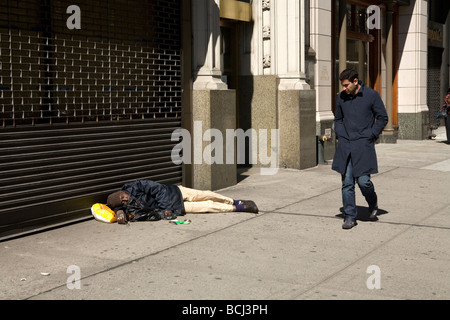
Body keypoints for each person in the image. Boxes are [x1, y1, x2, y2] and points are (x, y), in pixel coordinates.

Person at [332, 69, 388, 229]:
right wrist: (341, 135)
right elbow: (338, 119)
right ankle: (350, 216)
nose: (344, 88)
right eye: (342, 85)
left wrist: (371, 134)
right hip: (346, 146)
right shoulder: (341, 97)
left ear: (355, 82)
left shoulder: (371, 95)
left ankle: (373, 202)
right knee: (347, 183)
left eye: (346, 85)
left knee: (364, 182)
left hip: (363, 145)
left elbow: (383, 117)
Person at [106, 179, 259, 224]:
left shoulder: (134, 186)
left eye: (123, 195)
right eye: (123, 201)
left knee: (206, 195)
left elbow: (157, 188)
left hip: (176, 192)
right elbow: (124, 213)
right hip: (178, 207)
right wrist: (119, 212)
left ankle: (235, 200)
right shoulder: (127, 206)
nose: (125, 198)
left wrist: (165, 208)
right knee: (208, 206)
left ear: (121, 191)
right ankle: (240, 208)